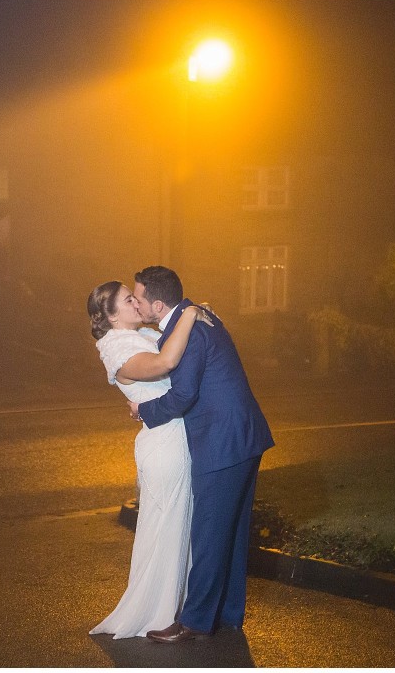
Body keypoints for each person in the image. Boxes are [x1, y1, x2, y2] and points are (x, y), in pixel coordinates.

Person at [129, 265, 275, 643]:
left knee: (209, 532)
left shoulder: (189, 330)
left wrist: (143, 411)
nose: (136, 303)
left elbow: (183, 395)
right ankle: (226, 614)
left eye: (139, 298)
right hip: (244, 436)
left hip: (223, 442)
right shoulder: (195, 317)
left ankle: (194, 622)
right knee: (232, 530)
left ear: (158, 305)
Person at [86, 280, 212, 640]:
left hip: (175, 433)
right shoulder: (116, 347)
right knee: (166, 526)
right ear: (110, 315)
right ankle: (159, 616)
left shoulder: (140, 332)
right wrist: (190, 311)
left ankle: (181, 607)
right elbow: (166, 361)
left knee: (179, 523)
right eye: (129, 299)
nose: (137, 302)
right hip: (165, 442)